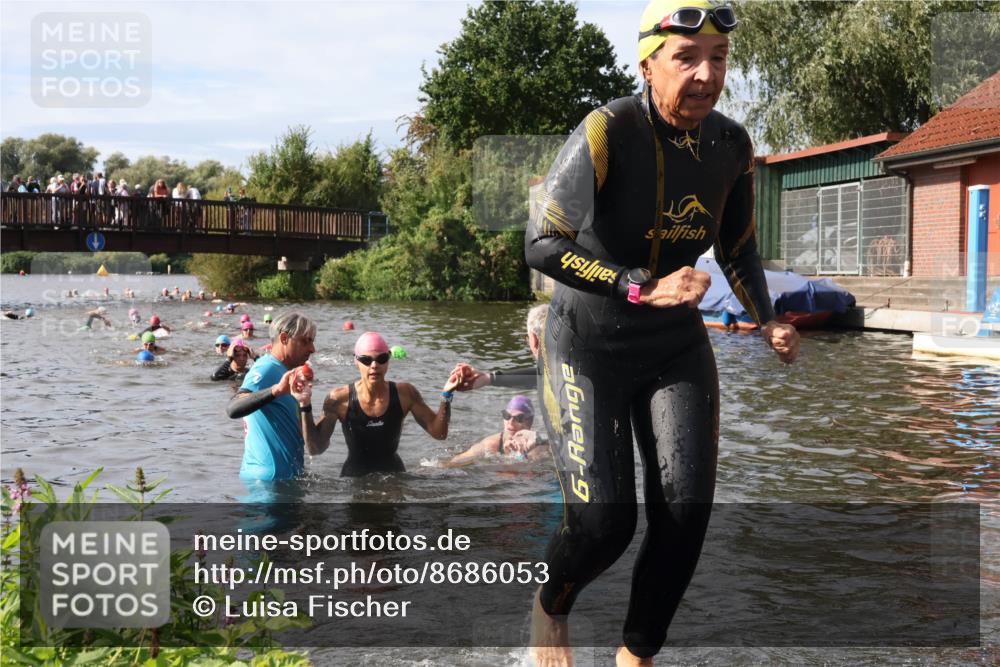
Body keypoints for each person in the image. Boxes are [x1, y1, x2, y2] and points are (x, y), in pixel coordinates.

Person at [523, 2, 800, 665]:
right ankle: (550, 605)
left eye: (720, 59)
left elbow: (738, 247)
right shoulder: (605, 131)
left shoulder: (732, 146)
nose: (706, 75)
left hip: (672, 344)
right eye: (686, 58)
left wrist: (768, 319)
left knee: (684, 515)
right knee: (603, 525)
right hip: (587, 342)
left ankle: (635, 656)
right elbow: (541, 241)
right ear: (647, 62)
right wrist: (637, 285)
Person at [292, 331, 462, 477]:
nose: (374, 365)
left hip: (394, 478)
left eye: (381, 359)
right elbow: (315, 448)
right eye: (366, 360)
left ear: (388, 359)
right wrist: (304, 405)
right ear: (356, 361)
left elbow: (439, 433)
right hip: (354, 480)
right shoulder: (338, 399)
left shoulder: (405, 394)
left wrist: (446, 395)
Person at [226, 312, 317, 481]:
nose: (312, 349)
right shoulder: (266, 368)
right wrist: (276, 390)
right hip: (268, 483)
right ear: (284, 338)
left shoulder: (284, 370)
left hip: (285, 479)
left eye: (312, 341)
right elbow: (233, 408)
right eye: (306, 341)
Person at [452, 304, 548, 391]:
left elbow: (539, 377)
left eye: (528, 338)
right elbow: (540, 377)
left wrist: (489, 378)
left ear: (534, 340)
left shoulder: (552, 374)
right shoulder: (557, 369)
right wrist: (488, 378)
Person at [446, 395, 548, 466]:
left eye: (519, 418)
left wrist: (520, 455)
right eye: (507, 416)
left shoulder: (538, 446)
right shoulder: (492, 444)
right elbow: (456, 461)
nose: (510, 422)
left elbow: (525, 476)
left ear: (529, 422)